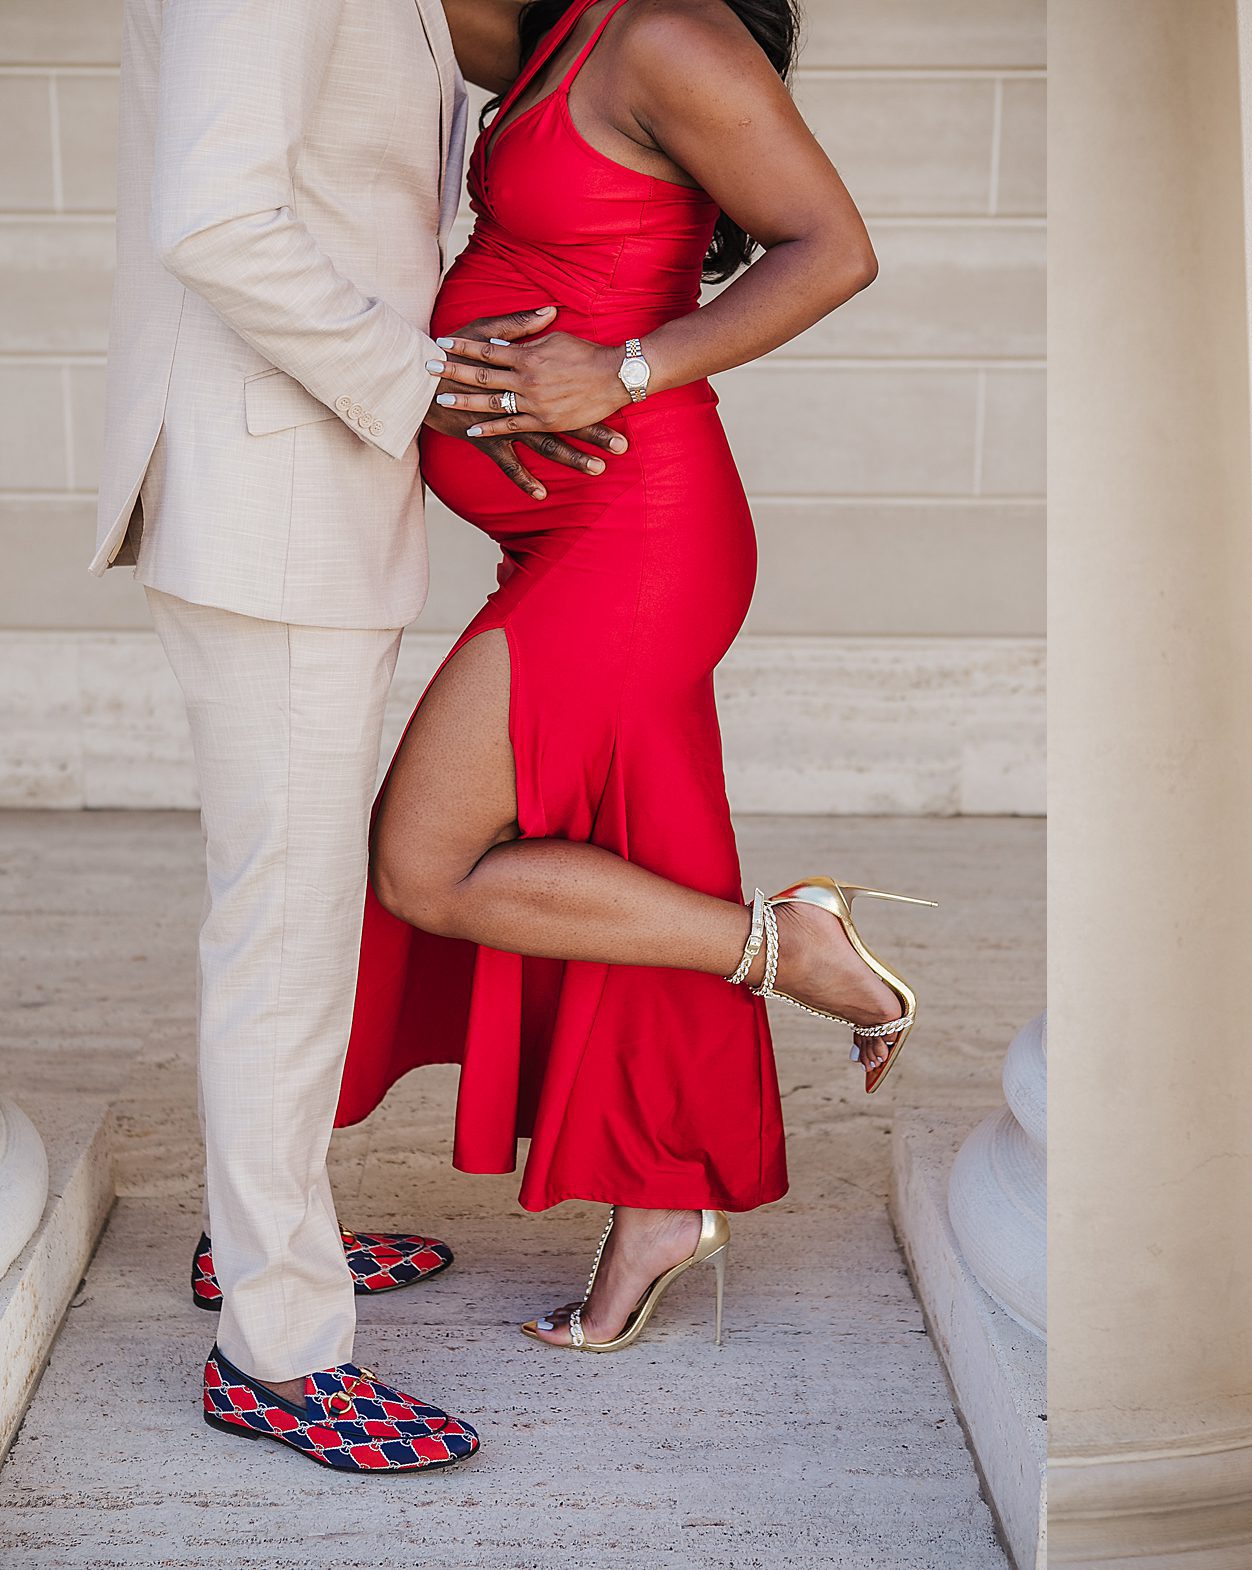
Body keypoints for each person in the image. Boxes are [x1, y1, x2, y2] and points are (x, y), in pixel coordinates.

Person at [335, 0, 928, 1357]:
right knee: (627, 869)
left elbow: (834, 249)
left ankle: (792, 944)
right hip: (565, 536)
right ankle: (660, 1204)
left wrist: (623, 366)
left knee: (426, 863)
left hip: (637, 533)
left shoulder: (668, 33)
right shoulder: (570, 27)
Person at [90, 0, 627, 1473]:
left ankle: (262, 1238)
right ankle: (278, 1351)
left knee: (285, 917)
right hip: (271, 504)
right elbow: (214, 216)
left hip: (307, 497)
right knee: (285, 933)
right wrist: (425, 381)